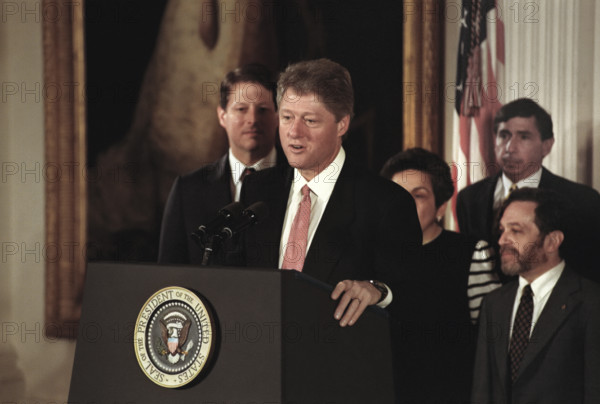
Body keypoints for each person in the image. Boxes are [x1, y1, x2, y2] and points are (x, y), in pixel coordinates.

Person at [241, 58, 422, 329]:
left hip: (337, 360)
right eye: (287, 117)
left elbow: (412, 293)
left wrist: (377, 291)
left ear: (342, 125)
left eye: (310, 120)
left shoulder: (386, 203)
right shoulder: (257, 190)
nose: (293, 132)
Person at [381, 147, 501, 404]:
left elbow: (490, 345)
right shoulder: (371, 257)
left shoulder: (473, 254)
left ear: (441, 206)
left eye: (418, 195)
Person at [472, 188, 600, 404]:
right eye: (502, 230)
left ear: (552, 241)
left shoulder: (591, 302)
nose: (503, 240)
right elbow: (482, 391)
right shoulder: (494, 303)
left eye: (516, 230)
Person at [456, 98, 600, 282]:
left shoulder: (582, 200)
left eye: (524, 137)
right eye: (504, 135)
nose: (510, 148)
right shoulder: (469, 199)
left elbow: (588, 273)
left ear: (547, 146)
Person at [158, 64, 284, 265]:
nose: (252, 119)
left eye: (262, 110)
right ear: (222, 115)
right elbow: (169, 269)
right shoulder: (188, 189)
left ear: (278, 117)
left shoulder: (298, 183)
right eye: (241, 109)